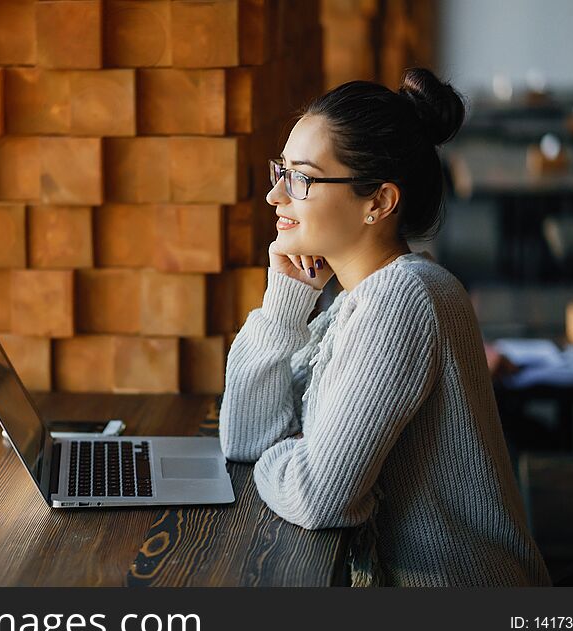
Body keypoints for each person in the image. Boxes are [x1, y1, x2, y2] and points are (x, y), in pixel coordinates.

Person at [218, 68, 552, 587]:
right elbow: (243, 437)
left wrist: (282, 454)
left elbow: (318, 495)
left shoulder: (402, 300)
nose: (275, 197)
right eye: (279, 172)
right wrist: (286, 300)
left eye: (301, 179)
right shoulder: (354, 301)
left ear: (378, 202)